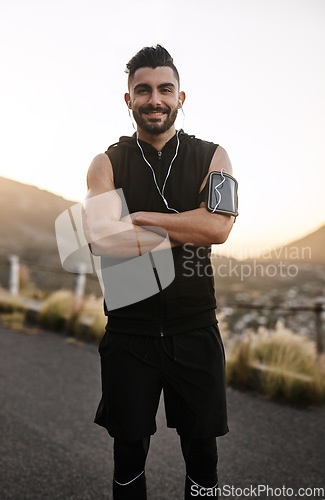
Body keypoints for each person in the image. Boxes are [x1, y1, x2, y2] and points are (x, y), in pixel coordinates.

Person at [84, 45, 236, 499]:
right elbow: (99, 239)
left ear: (181, 97)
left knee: (202, 457)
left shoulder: (214, 156)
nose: (155, 99)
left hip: (195, 330)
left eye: (164, 89)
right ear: (128, 99)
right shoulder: (105, 164)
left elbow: (218, 228)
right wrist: (187, 225)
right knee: (129, 456)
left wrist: (141, 219)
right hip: (130, 334)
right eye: (143, 90)